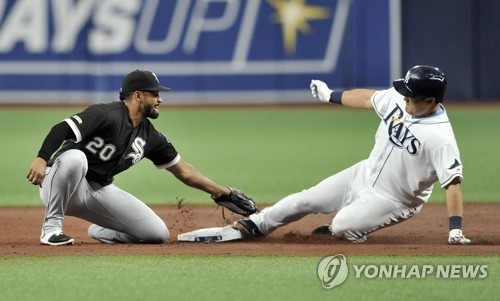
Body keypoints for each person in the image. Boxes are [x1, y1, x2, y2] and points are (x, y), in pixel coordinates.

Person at [233, 65, 471, 245]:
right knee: (306, 200)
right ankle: (257, 224)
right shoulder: (402, 100)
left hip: (394, 200)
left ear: (430, 101)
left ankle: (349, 230)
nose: (404, 97)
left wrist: (455, 228)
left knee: (343, 227)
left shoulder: (441, 138)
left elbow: (453, 184)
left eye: (410, 96)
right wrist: (330, 95)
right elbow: (368, 98)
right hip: (363, 173)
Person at [26, 69, 236, 246]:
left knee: (157, 234)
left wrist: (222, 192)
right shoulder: (105, 113)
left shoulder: (151, 136)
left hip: (96, 191)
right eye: (154, 94)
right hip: (59, 183)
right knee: (76, 158)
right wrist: (42, 158)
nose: (160, 99)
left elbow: (185, 171)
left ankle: (101, 231)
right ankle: (51, 228)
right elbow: (61, 129)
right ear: (137, 96)